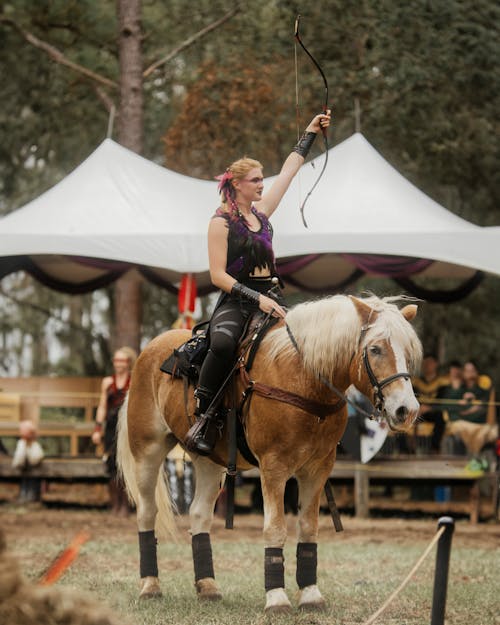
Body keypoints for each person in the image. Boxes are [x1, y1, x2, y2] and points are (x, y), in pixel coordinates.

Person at [184, 110, 332, 455]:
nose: (262, 184)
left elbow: (290, 169)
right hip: (237, 300)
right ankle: (205, 415)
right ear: (236, 184)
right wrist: (256, 299)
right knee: (221, 344)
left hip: (272, 295)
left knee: (305, 346)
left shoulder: (262, 213)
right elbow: (218, 275)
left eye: (262, 179)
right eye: (254, 180)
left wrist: (310, 132)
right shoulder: (219, 223)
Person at [92, 346, 137, 515]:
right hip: (110, 428)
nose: (118, 364)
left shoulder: (133, 380)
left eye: (122, 360)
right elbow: (102, 406)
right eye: (116, 360)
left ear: (128, 363)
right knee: (111, 466)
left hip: (126, 427)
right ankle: (114, 505)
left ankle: (126, 505)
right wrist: (97, 428)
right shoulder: (107, 382)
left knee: (125, 466)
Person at [411, 353, 449, 453]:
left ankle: (434, 448)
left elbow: (443, 400)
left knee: (440, 417)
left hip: (433, 412)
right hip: (418, 411)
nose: (427, 365)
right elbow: (412, 398)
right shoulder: (416, 381)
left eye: (430, 363)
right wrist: (418, 408)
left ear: (436, 364)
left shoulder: (442, 382)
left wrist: (429, 408)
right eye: (425, 363)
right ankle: (406, 449)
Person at [12, 419, 45, 502]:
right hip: (24, 470)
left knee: (32, 481)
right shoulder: (21, 444)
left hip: (35, 470)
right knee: (25, 481)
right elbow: (18, 459)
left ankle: (32, 497)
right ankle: (25, 496)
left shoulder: (35, 445)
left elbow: (37, 457)